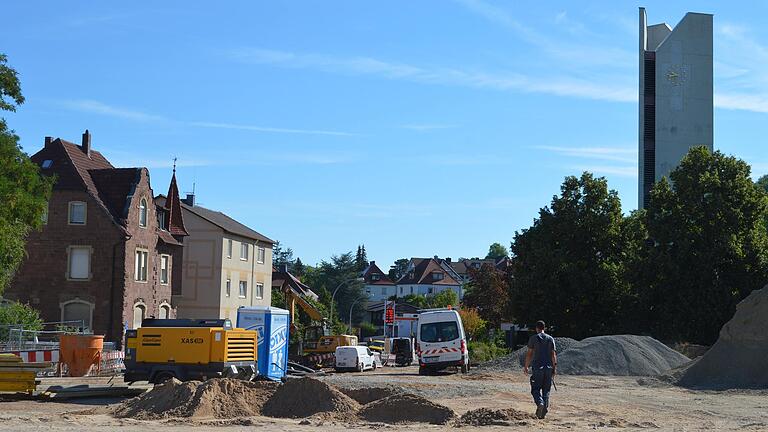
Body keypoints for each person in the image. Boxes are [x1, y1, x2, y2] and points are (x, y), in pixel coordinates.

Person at [523, 320, 557, 419]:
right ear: (544, 328)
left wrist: (526, 366)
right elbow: (553, 355)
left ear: (537, 328)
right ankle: (543, 411)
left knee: (535, 389)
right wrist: (554, 368)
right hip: (549, 368)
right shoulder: (550, 339)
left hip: (538, 367)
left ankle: (540, 403)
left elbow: (529, 354)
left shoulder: (533, 338)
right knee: (546, 390)